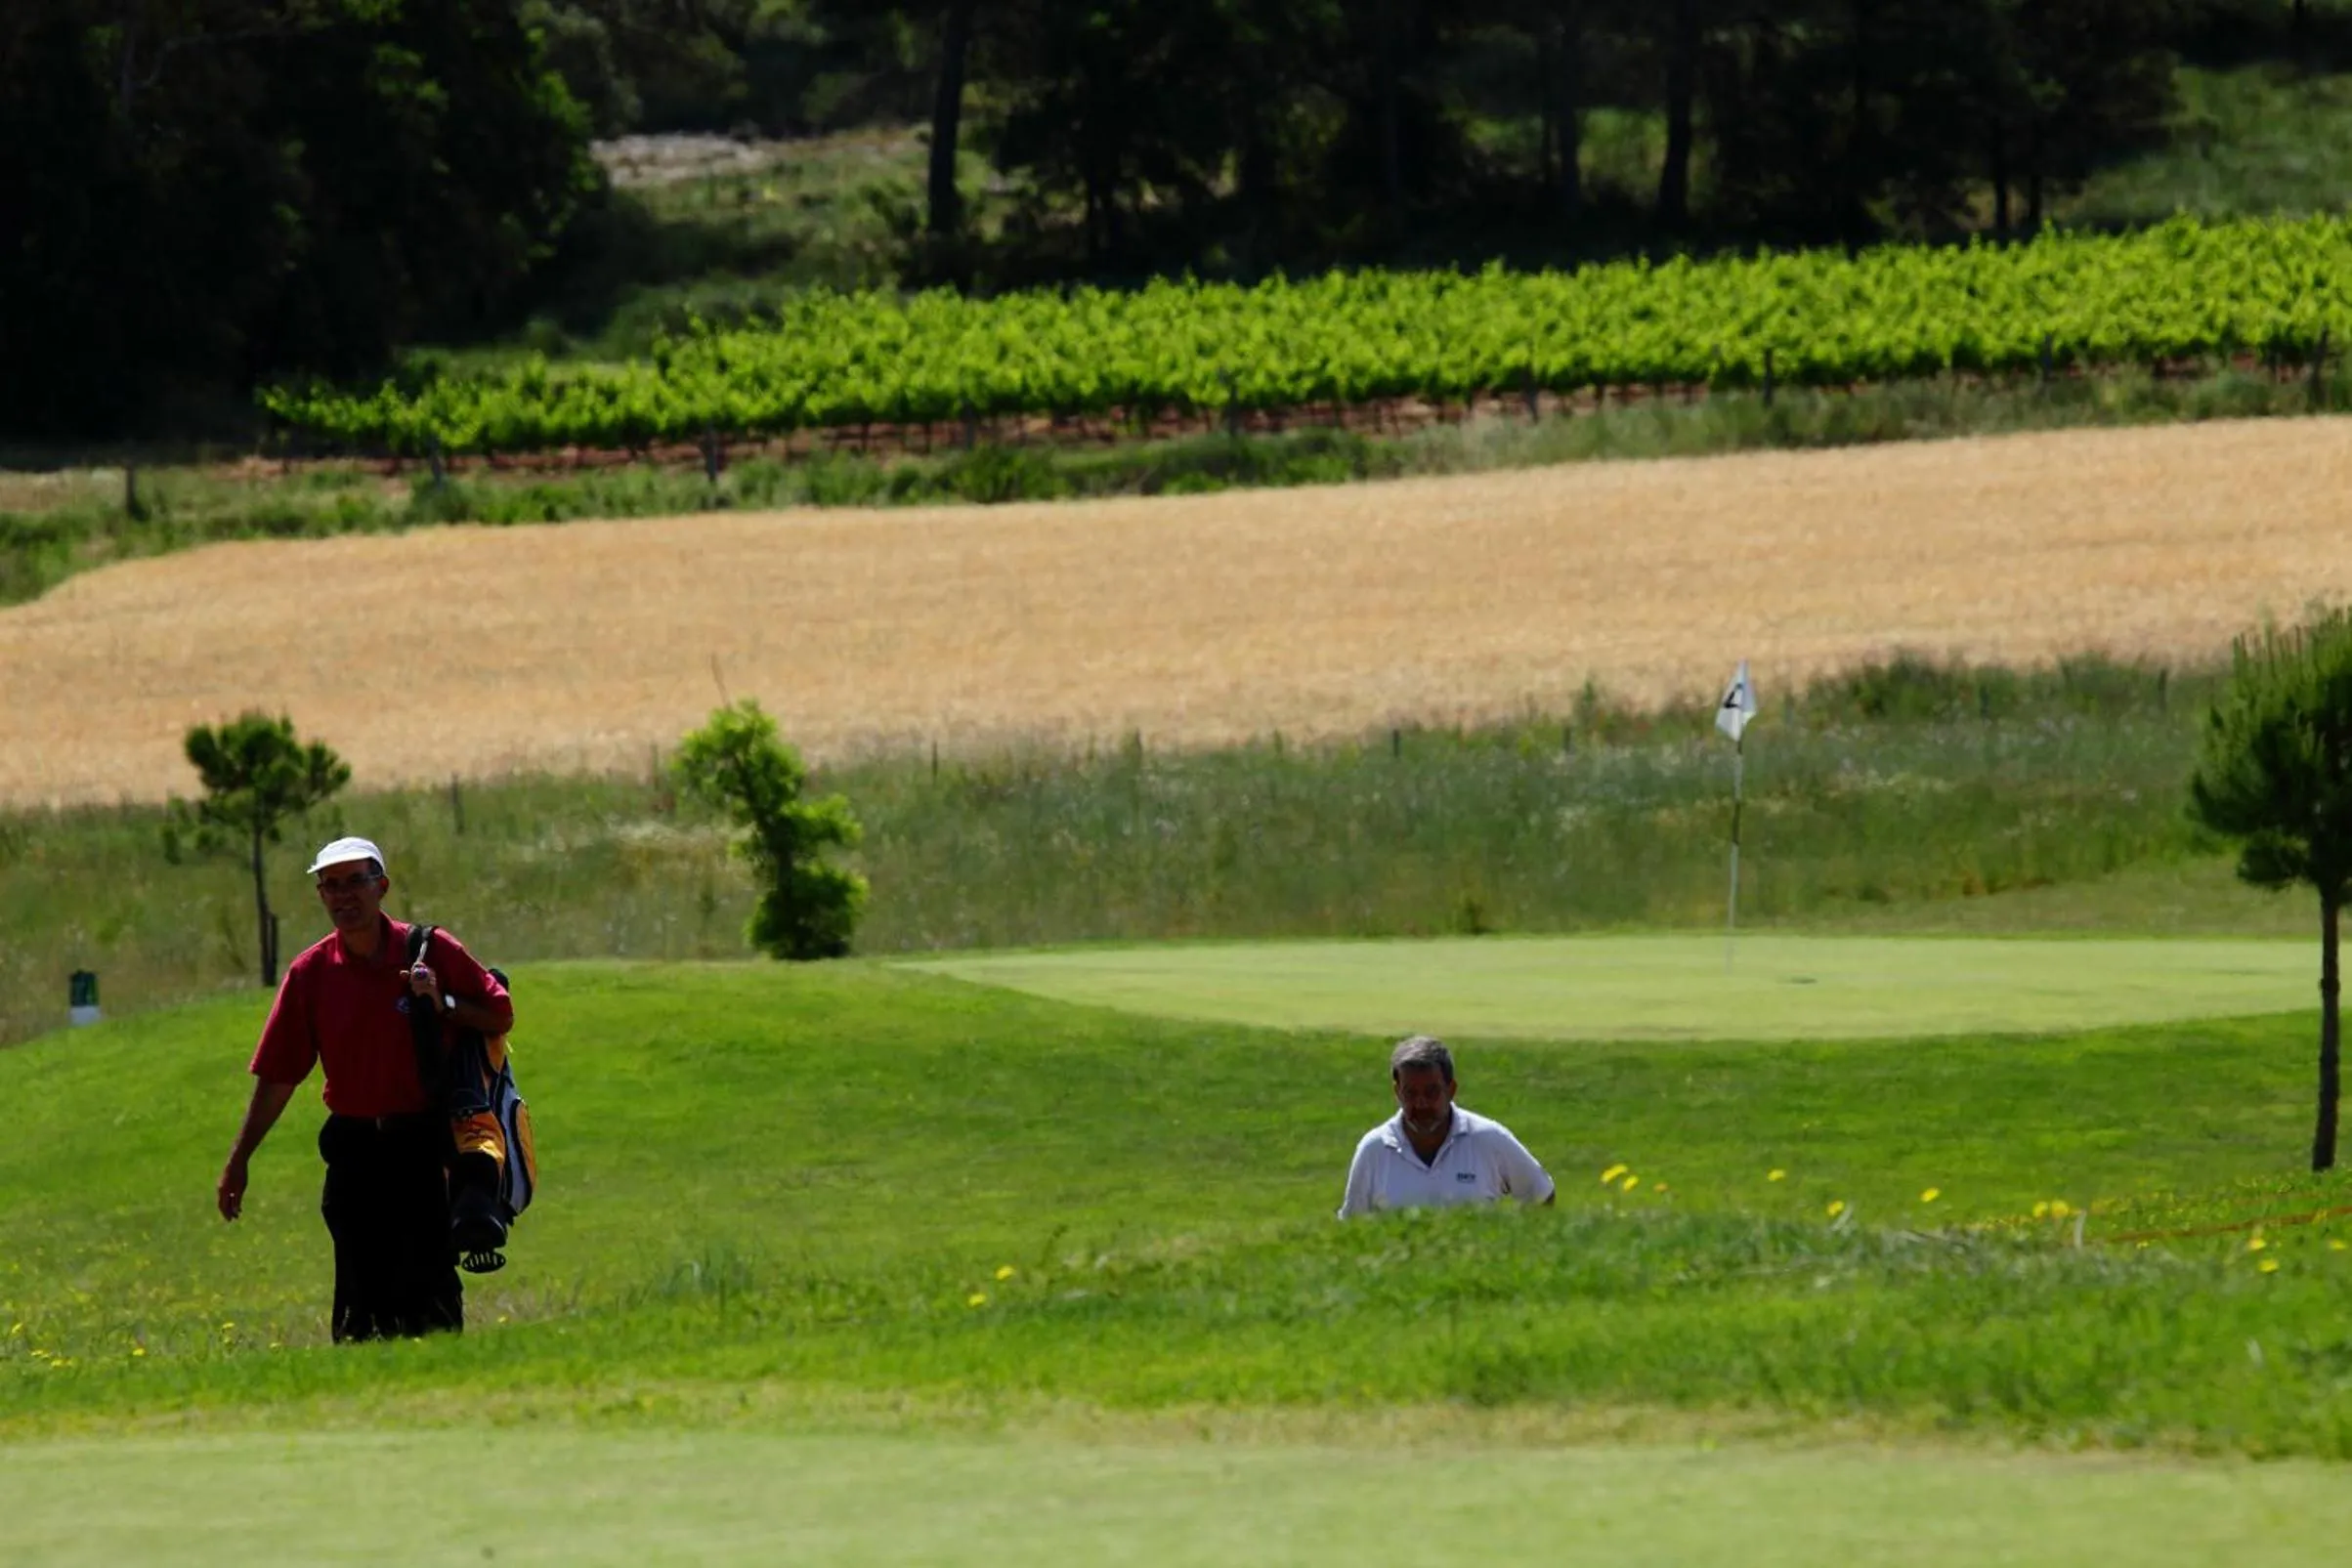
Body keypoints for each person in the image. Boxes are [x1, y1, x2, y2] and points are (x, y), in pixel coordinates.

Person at [215, 836, 514, 1342]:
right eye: (331, 885)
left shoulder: (430, 949)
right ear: (321, 895)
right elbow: (280, 1074)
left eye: (356, 881)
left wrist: (441, 1002)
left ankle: (444, 1384)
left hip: (423, 1146)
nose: (344, 895)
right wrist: (240, 1158)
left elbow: (499, 1013)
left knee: (431, 1293)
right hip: (354, 1152)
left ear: (382, 886)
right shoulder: (311, 974)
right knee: (359, 1299)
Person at [1336, 1035, 1556, 1219]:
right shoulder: (1374, 1149)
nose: (1421, 1104)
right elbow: (1353, 1226)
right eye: (1410, 1093)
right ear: (1397, 1092)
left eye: (1431, 1092)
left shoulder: (1488, 1139)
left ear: (1451, 1090)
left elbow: (1541, 1195)